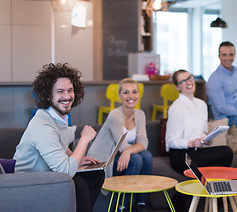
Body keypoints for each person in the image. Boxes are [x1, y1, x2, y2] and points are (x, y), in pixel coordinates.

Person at [14, 63, 104, 212]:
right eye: (60, 91)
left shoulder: (57, 117)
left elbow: (59, 144)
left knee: (96, 173)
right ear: (48, 95)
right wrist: (84, 139)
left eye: (70, 90)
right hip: (28, 184)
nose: (67, 96)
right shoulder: (43, 126)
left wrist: (76, 158)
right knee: (78, 185)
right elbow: (65, 171)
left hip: (47, 177)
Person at [87, 78, 153, 212]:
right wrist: (127, 151)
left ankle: (142, 203)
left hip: (122, 155)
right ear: (120, 95)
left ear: (138, 95)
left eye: (134, 92)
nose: (131, 96)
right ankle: (122, 205)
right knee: (136, 160)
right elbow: (122, 146)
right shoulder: (114, 115)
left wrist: (128, 152)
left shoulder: (140, 114)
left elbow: (144, 142)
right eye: (126, 92)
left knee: (147, 156)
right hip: (105, 159)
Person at [166, 69, 234, 174]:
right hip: (180, 155)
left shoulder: (202, 104)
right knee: (225, 152)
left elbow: (203, 131)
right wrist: (190, 143)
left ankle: (213, 188)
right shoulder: (176, 108)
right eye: (183, 81)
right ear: (177, 87)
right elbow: (171, 141)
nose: (188, 82)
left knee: (221, 160)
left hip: (196, 152)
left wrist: (206, 139)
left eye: (189, 78)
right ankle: (215, 187)